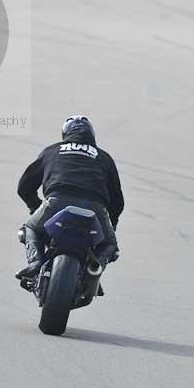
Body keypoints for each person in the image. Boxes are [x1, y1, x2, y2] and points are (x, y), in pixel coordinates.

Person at [16, 115, 123, 281]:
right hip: (95, 208)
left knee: (31, 229)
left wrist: (35, 207)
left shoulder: (52, 151)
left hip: (56, 202)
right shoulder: (104, 157)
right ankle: (94, 269)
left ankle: (35, 262)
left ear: (64, 134)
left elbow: (24, 187)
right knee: (109, 245)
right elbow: (117, 200)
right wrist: (111, 226)